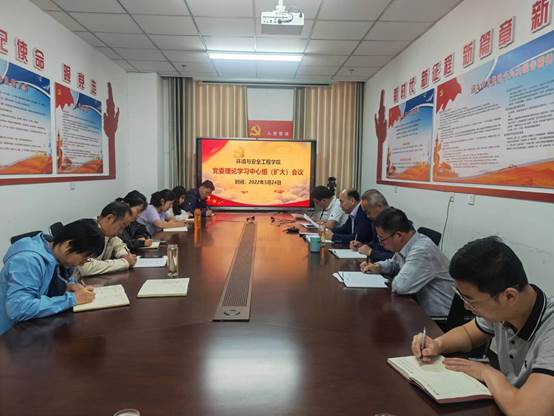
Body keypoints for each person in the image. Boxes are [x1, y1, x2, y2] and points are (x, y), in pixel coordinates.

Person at [411, 237, 554, 416]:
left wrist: (488, 373)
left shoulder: (549, 331)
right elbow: (468, 334)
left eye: (471, 301)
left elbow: (528, 412)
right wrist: (437, 344)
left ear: (509, 296)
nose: (466, 307)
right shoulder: (506, 311)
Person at [0, 219, 105, 334]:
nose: (83, 263)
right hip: (10, 334)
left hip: (35, 326)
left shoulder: (59, 256)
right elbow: (18, 308)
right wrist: (72, 299)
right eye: (85, 257)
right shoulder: (28, 260)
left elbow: (61, 278)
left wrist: (71, 286)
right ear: (68, 244)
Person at [361, 207, 454, 317]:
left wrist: (394, 277)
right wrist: (378, 266)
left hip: (438, 319)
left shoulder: (421, 250)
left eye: (382, 239)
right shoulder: (408, 243)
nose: (381, 243)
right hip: (417, 307)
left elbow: (401, 286)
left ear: (398, 235)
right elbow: (394, 263)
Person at [77, 201, 136, 278]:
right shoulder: (87, 231)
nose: (121, 232)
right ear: (109, 218)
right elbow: (85, 267)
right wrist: (124, 262)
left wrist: (124, 255)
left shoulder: (106, 231)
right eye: (121, 226)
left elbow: (118, 244)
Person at [350, 189, 393, 262]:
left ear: (379, 206)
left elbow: (396, 258)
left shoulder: (397, 222)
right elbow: (377, 244)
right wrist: (363, 245)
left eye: (368, 212)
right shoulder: (377, 222)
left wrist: (371, 252)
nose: (367, 216)